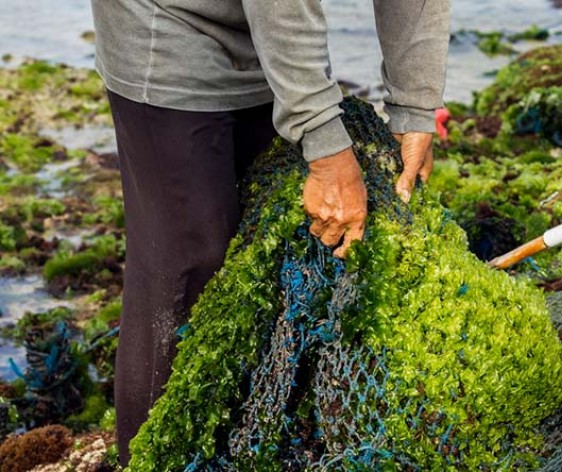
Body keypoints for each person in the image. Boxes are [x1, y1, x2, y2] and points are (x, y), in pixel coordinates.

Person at [90, 0, 450, 465]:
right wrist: (324, 145)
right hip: (169, 24)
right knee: (187, 268)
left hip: (271, 37)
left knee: (263, 266)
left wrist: (416, 105)